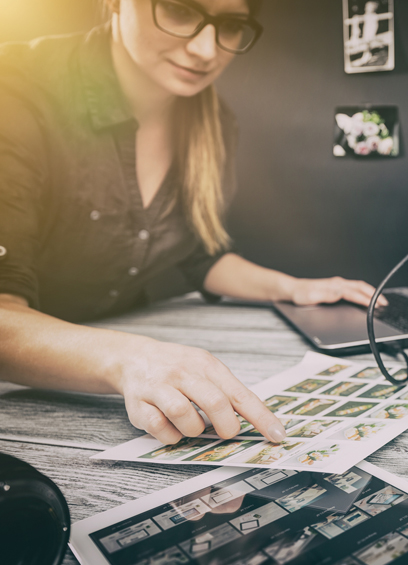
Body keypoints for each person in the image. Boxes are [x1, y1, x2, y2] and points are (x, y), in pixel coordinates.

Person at [0, 0, 387, 446]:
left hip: (101, 408)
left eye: (230, 25)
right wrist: (130, 359)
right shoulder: (19, 91)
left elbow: (199, 255)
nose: (206, 50)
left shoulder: (214, 121)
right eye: (181, 11)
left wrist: (293, 288)